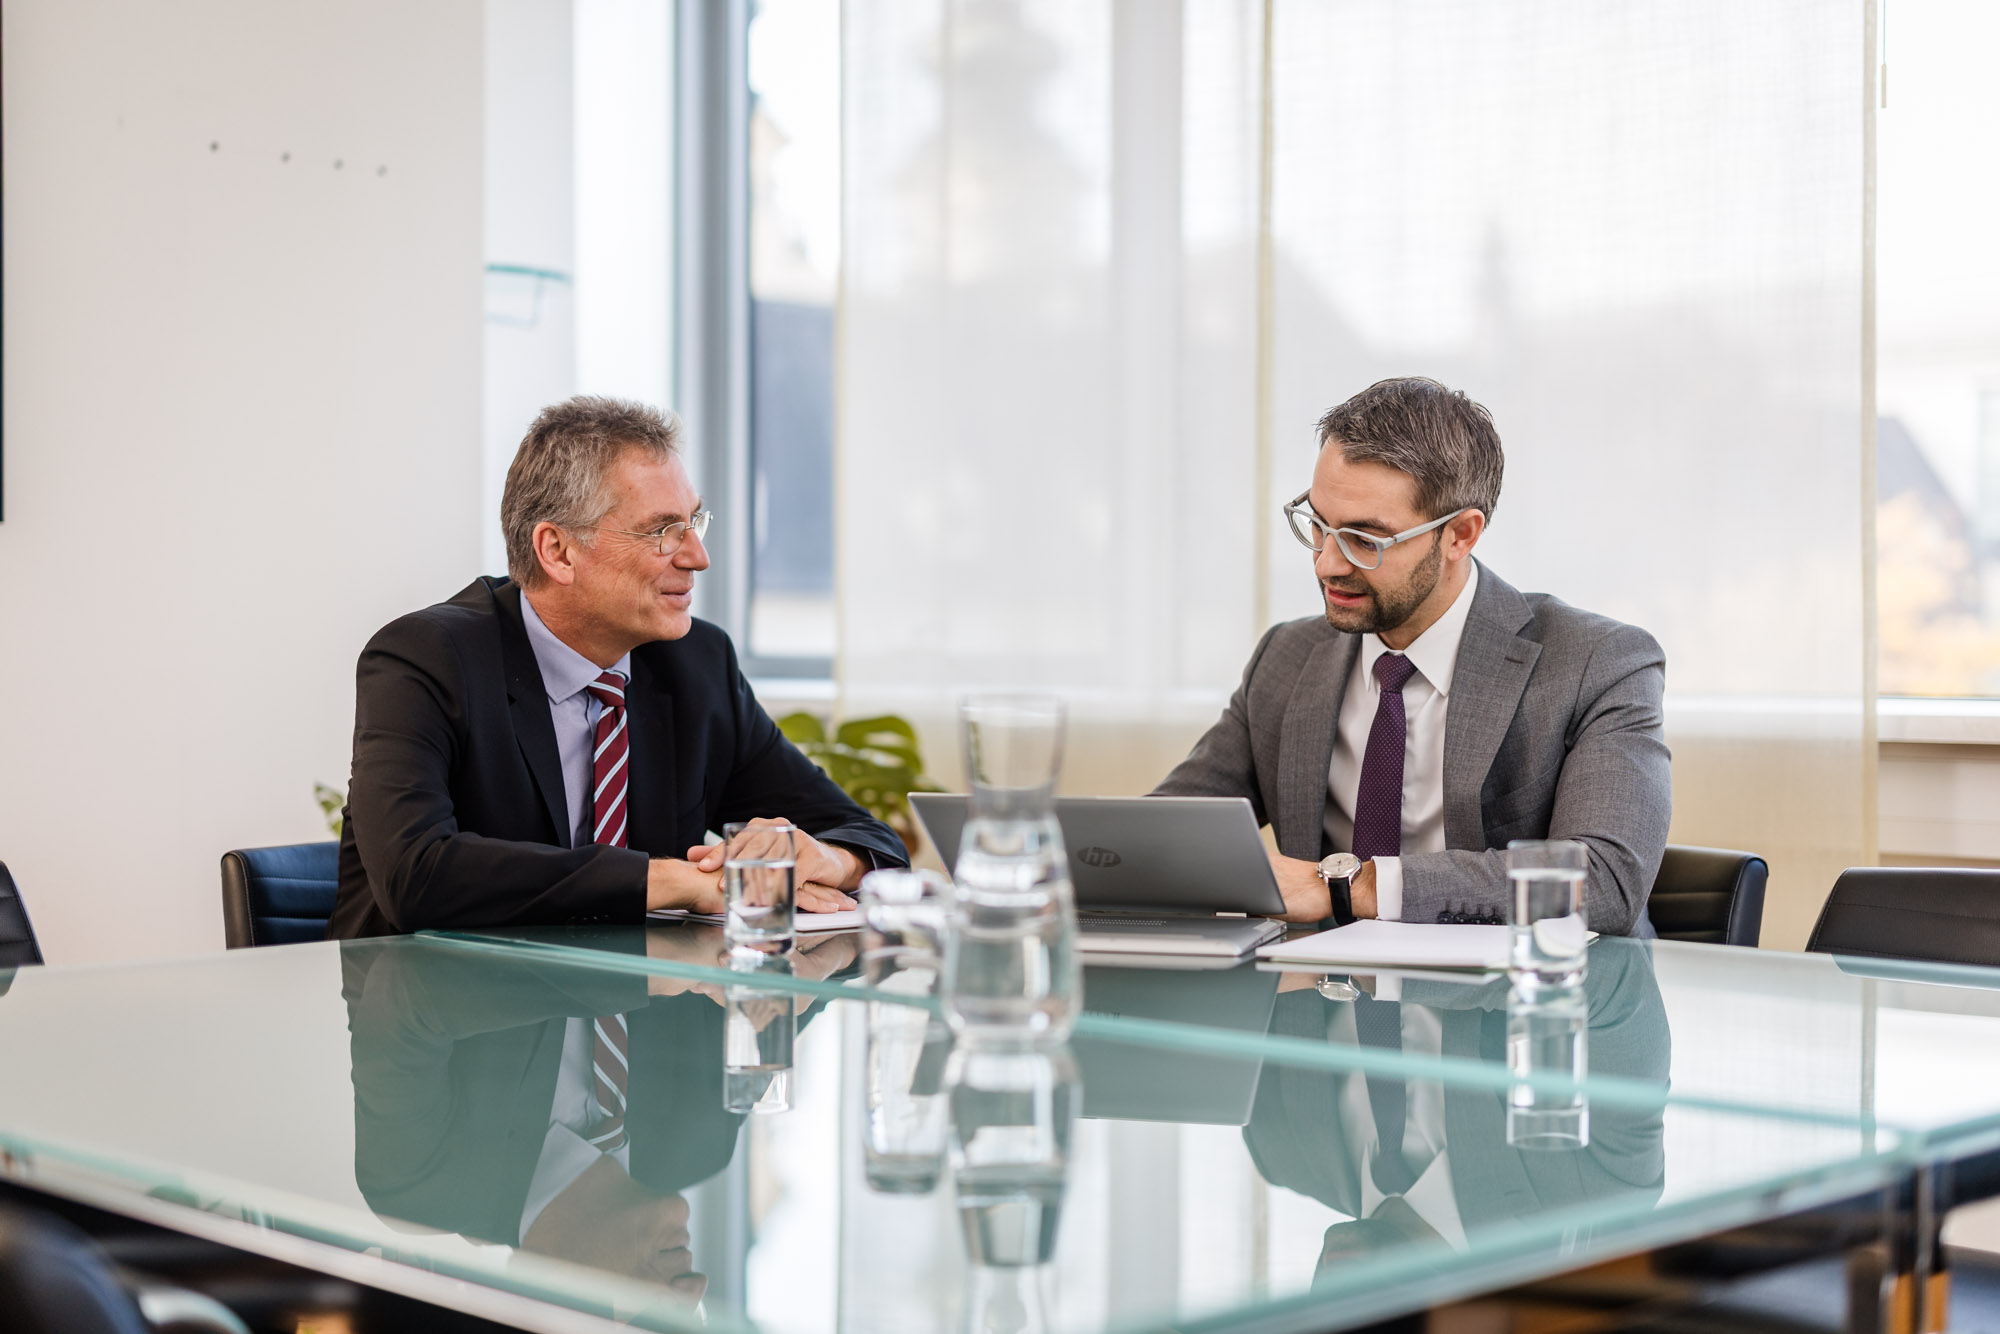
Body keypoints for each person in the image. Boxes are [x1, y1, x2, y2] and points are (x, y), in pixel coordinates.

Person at [327, 396, 908, 939]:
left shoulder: (698, 665)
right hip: (443, 1023)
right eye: (662, 531)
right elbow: (416, 874)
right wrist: (674, 881)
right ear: (558, 551)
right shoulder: (424, 659)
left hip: (639, 1019)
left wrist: (827, 858)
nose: (696, 557)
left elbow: (868, 835)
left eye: (694, 522)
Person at [1155, 377, 1669, 934]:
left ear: (1460, 535)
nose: (1327, 563)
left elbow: (1604, 880)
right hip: (1321, 1006)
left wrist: (1349, 888)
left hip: (1522, 1009)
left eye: (1365, 539)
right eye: (1320, 525)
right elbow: (1168, 837)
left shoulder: (1598, 662)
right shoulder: (1286, 657)